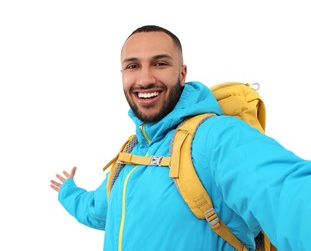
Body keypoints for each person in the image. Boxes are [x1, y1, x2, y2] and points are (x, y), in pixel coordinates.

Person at [50, 25, 311, 251]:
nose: (145, 78)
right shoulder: (129, 157)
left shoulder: (215, 137)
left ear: (182, 73)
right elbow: (98, 209)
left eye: (160, 63)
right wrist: (67, 191)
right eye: (133, 66)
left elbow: (288, 195)